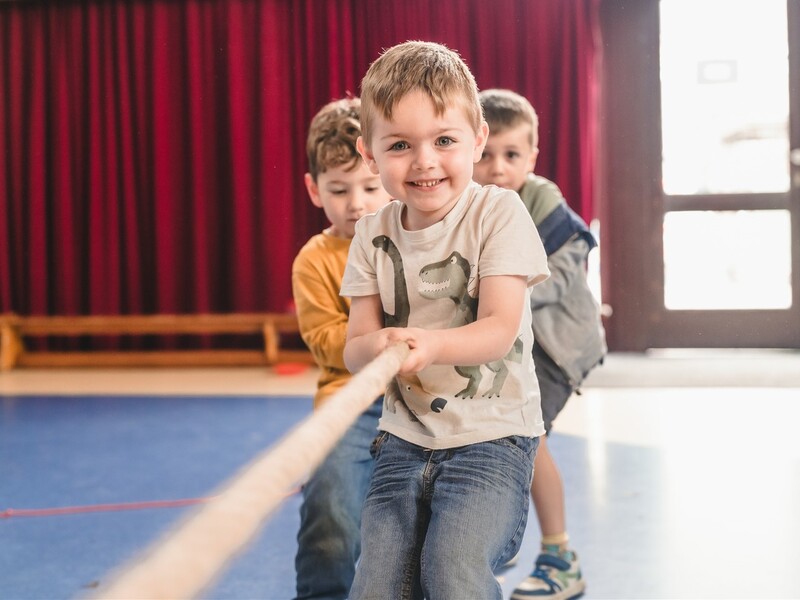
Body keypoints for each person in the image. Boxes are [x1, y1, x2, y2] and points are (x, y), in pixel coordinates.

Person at [340, 41, 550, 600]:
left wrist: (428, 345)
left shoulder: (498, 212)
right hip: (405, 436)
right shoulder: (369, 234)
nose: (425, 161)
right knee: (376, 585)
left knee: (452, 571)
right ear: (370, 155)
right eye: (401, 145)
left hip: (494, 435)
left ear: (477, 139)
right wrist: (380, 343)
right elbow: (354, 349)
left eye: (444, 141)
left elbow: (499, 329)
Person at [473, 88, 607, 600]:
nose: (497, 168)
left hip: (557, 347)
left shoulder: (543, 203)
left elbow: (555, 278)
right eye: (486, 155)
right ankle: (492, 545)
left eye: (512, 156)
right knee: (489, 433)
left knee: (529, 437)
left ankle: (559, 556)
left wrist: (494, 290)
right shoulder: (471, 202)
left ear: (531, 157)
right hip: (515, 343)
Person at [291, 97, 392, 600]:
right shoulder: (314, 260)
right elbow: (326, 342)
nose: (357, 203)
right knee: (330, 512)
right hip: (347, 406)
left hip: (418, 400)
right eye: (338, 189)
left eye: (370, 187)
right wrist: (379, 340)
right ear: (314, 190)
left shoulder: (413, 237)